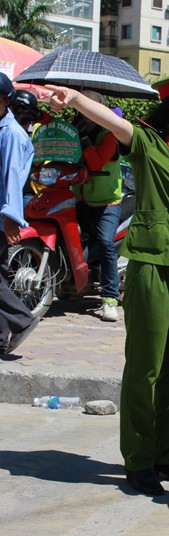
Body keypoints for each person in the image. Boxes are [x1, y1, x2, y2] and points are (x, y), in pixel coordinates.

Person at [46, 59, 169, 496]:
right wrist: (74, 98)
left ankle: (166, 453)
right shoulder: (145, 141)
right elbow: (110, 119)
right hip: (150, 264)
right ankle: (139, 461)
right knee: (145, 366)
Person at [70, 90, 123, 322]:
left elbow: (96, 162)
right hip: (80, 198)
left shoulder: (110, 133)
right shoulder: (73, 129)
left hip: (107, 202)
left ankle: (110, 298)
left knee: (105, 244)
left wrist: (83, 140)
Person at [0, 73, 37, 354]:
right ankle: (1, 339)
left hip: (3, 215)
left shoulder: (11, 133)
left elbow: (13, 176)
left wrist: (11, 217)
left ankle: (22, 319)